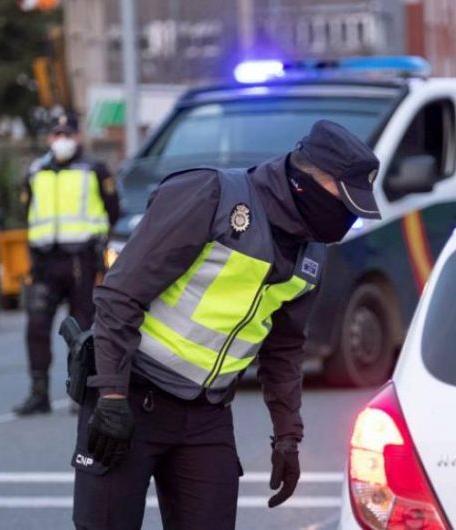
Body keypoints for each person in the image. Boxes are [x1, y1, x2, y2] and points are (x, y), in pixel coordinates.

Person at [71, 120, 381, 530]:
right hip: (131, 395)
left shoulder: (312, 255)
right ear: (308, 178)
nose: (345, 218)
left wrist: (287, 435)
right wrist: (110, 394)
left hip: (206, 413)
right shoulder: (211, 196)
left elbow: (285, 348)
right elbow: (119, 294)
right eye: (343, 201)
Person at [13, 114, 121, 416]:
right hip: (45, 262)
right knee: (36, 326)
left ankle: (83, 392)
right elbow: (27, 211)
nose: (62, 140)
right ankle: (39, 393)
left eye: (68, 134)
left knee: (82, 328)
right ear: (50, 138)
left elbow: (113, 210)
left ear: (78, 138)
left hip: (81, 262)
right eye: (57, 134)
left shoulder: (95, 171)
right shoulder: (36, 172)